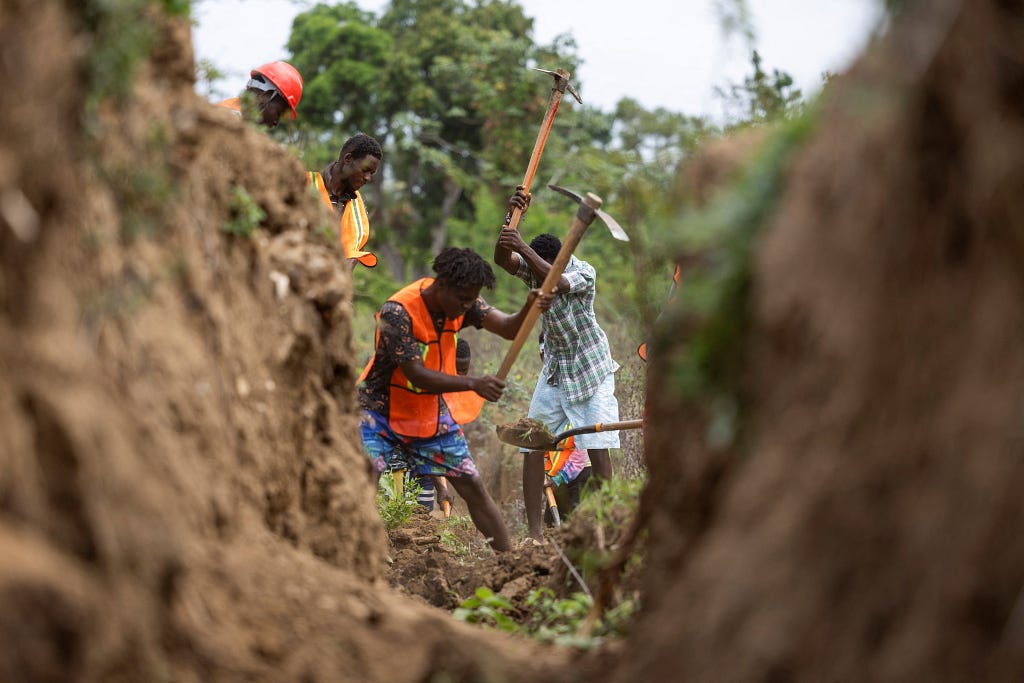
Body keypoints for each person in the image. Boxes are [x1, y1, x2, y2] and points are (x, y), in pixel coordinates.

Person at [358, 247, 550, 551]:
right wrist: (473, 383)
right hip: (379, 412)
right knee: (361, 482)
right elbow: (416, 374)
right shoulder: (398, 312)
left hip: (427, 412)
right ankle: (344, 555)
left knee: (473, 486)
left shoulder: (465, 301)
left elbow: (508, 328)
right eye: (462, 298)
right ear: (442, 283)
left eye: (472, 299)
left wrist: (529, 306)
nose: (467, 306)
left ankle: (510, 563)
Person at [494, 192, 621, 540]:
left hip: (589, 366)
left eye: (541, 265)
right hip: (555, 370)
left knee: (598, 442)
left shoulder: (583, 272)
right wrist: (512, 219)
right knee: (532, 442)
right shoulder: (536, 273)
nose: (536, 272)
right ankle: (535, 535)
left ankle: (608, 522)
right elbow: (502, 259)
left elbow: (559, 282)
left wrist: (524, 247)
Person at [307, 134, 383, 268]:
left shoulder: (359, 211)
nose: (368, 178)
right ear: (348, 159)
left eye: (372, 173)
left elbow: (350, 261)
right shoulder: (304, 184)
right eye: (365, 170)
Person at [218, 61, 303, 128]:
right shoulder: (228, 120)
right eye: (278, 113)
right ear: (264, 95)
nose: (275, 122)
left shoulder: (237, 118)